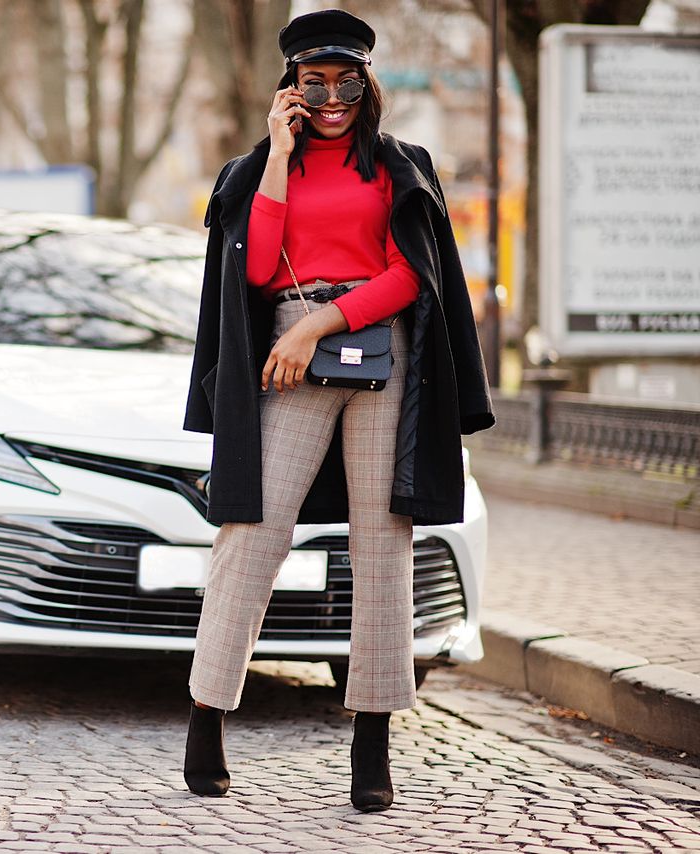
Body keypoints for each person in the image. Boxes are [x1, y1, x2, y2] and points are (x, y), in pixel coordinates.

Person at [180, 8, 495, 812]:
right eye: (312, 82)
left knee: (381, 543)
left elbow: (408, 276)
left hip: (377, 346)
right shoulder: (256, 170)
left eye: (344, 80)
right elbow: (253, 277)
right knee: (251, 533)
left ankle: (371, 739)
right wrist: (281, 156)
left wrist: (326, 320)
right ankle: (207, 716)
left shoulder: (400, 165)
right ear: (289, 89)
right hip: (284, 349)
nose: (330, 97)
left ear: (366, 82)